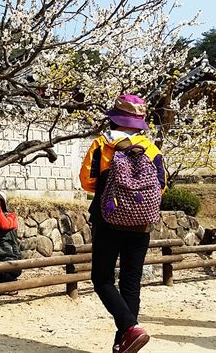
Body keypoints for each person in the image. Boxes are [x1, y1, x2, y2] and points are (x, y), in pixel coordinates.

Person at [79, 95, 167, 353]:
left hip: (108, 220)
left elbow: (87, 182)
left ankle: (130, 328)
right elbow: (160, 187)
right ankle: (124, 342)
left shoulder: (102, 144)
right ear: (140, 122)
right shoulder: (151, 149)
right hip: (141, 224)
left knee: (102, 279)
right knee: (131, 281)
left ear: (115, 117)